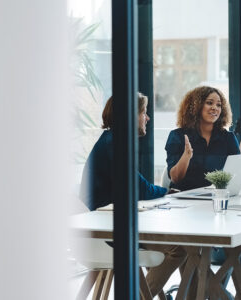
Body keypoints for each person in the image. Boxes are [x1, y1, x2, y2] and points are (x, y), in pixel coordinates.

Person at [79, 93, 186, 296]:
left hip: (108, 226)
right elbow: (140, 189)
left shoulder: (111, 141)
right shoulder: (114, 145)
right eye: (143, 112)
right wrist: (167, 192)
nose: (147, 118)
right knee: (179, 248)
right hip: (107, 232)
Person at [165, 86, 241, 191]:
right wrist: (186, 157)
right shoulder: (177, 136)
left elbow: (235, 179)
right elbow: (176, 178)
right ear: (195, 106)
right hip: (183, 198)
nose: (215, 108)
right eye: (209, 103)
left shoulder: (228, 138)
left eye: (218, 105)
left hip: (215, 197)